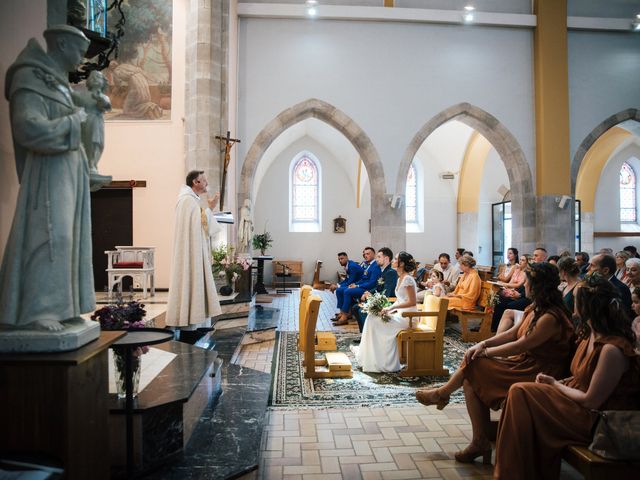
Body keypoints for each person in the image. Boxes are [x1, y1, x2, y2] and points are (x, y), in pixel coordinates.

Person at [416, 263, 574, 465]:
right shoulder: (536, 307)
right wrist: (483, 343)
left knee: (476, 364)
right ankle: (479, 440)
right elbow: (514, 333)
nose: (523, 286)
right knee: (471, 376)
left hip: (537, 371)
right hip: (526, 363)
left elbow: (521, 345)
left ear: (537, 286)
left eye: (527, 282)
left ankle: (443, 395)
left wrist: (486, 352)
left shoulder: (551, 317)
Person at [494, 275, 640, 480]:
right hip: (575, 402)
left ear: (588, 306)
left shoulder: (611, 349)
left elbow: (592, 400)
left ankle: (514, 473)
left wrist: (554, 384)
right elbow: (580, 378)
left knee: (521, 393)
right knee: (520, 395)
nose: (571, 304)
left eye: (576, 301)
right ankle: (519, 471)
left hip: (596, 419)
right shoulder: (590, 334)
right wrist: (557, 383)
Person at [0, 25, 94, 331]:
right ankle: (36, 309)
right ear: (62, 45)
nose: (82, 59)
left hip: (68, 170)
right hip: (48, 174)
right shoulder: (30, 78)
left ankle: (62, 306)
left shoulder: (58, 84)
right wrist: (72, 122)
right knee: (51, 236)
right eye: (79, 51)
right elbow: (27, 128)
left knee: (68, 238)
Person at [166, 171, 222, 331]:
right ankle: (188, 321)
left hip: (195, 250)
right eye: (204, 180)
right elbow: (201, 223)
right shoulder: (187, 201)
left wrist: (209, 209)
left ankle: (195, 320)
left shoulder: (191, 200)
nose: (206, 183)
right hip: (190, 252)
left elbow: (200, 223)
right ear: (195, 182)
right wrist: (210, 207)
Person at [356, 251, 418, 372]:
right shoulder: (400, 278)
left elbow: (412, 302)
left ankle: (385, 362)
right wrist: (388, 309)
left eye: (396, 259)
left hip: (409, 317)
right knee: (371, 317)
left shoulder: (408, 280)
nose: (393, 261)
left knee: (374, 321)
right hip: (401, 314)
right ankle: (371, 358)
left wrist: (390, 309)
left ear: (402, 263)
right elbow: (400, 300)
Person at [355, 247, 398, 333]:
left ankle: (371, 335)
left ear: (386, 258)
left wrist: (371, 296)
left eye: (379, 257)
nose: (376, 259)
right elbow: (377, 287)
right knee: (355, 308)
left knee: (361, 311)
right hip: (381, 299)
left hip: (390, 302)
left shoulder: (391, 272)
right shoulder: (383, 271)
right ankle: (364, 335)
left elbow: (386, 293)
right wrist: (367, 292)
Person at [334, 247, 381, 326]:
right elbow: (363, 278)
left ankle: (344, 317)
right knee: (340, 290)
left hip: (367, 289)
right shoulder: (367, 264)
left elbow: (372, 283)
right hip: (362, 286)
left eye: (368, 254)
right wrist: (355, 284)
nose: (365, 255)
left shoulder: (375, 266)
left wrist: (358, 285)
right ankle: (343, 312)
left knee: (347, 291)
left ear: (374, 254)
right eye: (364, 254)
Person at [330, 252, 364, 320]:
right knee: (339, 290)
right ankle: (342, 312)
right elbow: (347, 280)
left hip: (359, 286)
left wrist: (337, 287)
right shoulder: (348, 265)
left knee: (341, 290)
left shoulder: (352, 266)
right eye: (339, 259)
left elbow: (350, 282)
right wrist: (337, 285)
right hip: (353, 284)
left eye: (342, 258)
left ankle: (344, 314)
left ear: (347, 258)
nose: (340, 260)